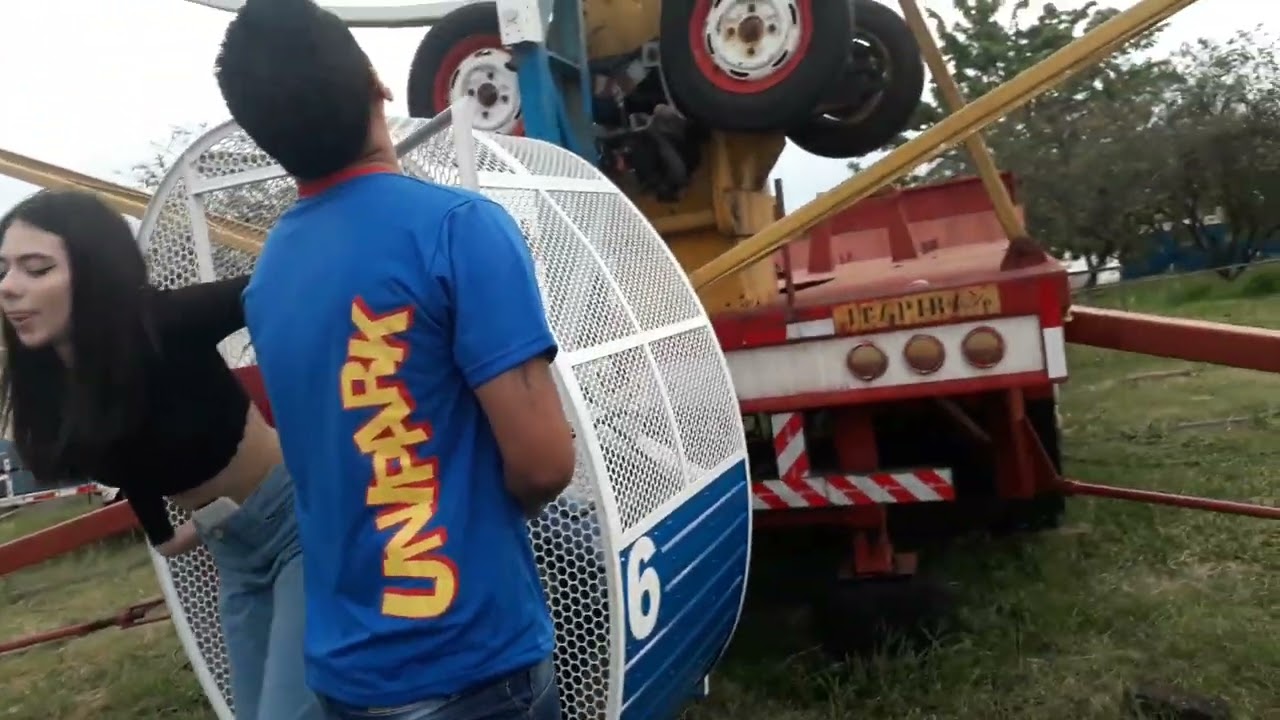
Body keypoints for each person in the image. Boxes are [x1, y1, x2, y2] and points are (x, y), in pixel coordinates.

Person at [213, 0, 577, 719]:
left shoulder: (271, 276)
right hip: (474, 665)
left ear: (265, 139)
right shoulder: (458, 228)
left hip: (345, 675)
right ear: (377, 85)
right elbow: (543, 464)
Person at [0, 189, 324, 720]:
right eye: (4, 270)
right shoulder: (52, 384)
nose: (10, 287)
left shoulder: (164, 322)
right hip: (233, 550)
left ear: (95, 271)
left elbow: (284, 286)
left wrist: (328, 414)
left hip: (300, 524)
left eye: (37, 269)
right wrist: (169, 535)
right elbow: (131, 455)